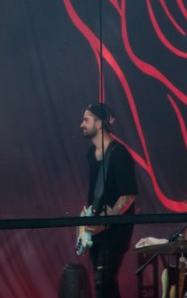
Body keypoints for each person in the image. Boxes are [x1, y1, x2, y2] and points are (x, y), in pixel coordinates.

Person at [80, 103, 137, 298]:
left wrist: (105, 222)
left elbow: (128, 195)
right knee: (105, 285)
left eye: (86, 120)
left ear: (98, 123)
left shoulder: (119, 154)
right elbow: (95, 192)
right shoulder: (91, 154)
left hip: (114, 230)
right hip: (96, 227)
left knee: (103, 282)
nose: (81, 124)